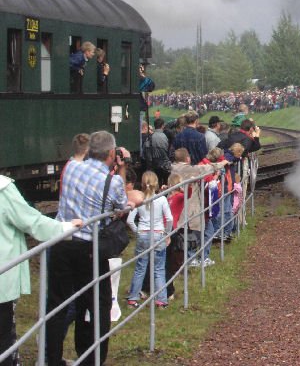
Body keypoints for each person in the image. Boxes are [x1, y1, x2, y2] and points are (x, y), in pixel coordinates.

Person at [46, 132, 143, 366]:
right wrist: (132, 198)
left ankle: (50, 357)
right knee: (96, 304)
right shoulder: (112, 181)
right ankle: (91, 358)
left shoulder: (71, 167)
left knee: (57, 304)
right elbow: (120, 207)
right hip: (89, 247)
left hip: (62, 241)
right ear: (112, 154)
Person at [0, 176, 81, 366]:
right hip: (2, 280)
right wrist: (65, 227)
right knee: (4, 336)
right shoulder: (3, 190)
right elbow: (31, 222)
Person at [126, 171, 173, 308]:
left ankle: (133, 299)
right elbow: (169, 219)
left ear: (142, 183)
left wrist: (138, 232)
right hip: (158, 233)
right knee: (159, 268)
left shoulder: (140, 200)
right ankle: (162, 300)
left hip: (143, 234)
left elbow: (130, 221)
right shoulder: (162, 199)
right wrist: (167, 233)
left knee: (140, 267)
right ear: (156, 183)